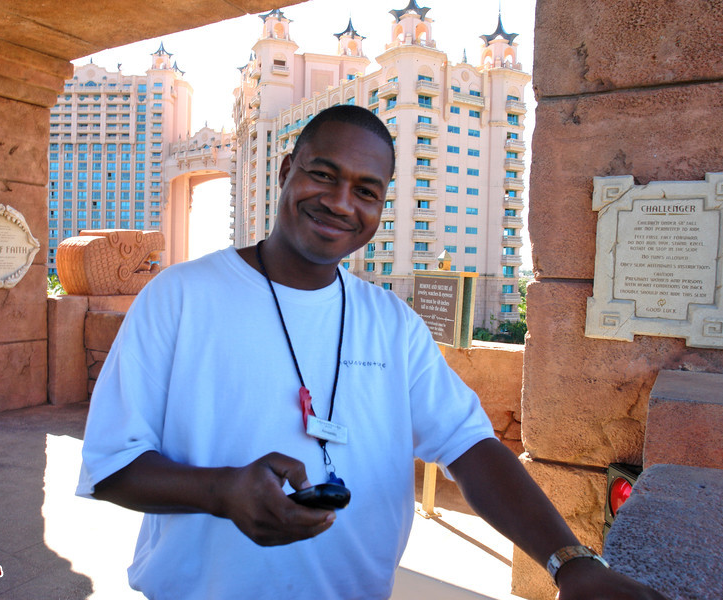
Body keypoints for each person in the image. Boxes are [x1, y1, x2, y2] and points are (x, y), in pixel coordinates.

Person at [77, 105, 667, 600]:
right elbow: (111, 467)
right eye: (323, 175)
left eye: (366, 190)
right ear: (286, 171)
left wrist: (570, 562)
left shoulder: (392, 324)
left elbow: (469, 446)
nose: (341, 202)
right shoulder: (179, 297)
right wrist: (221, 491)